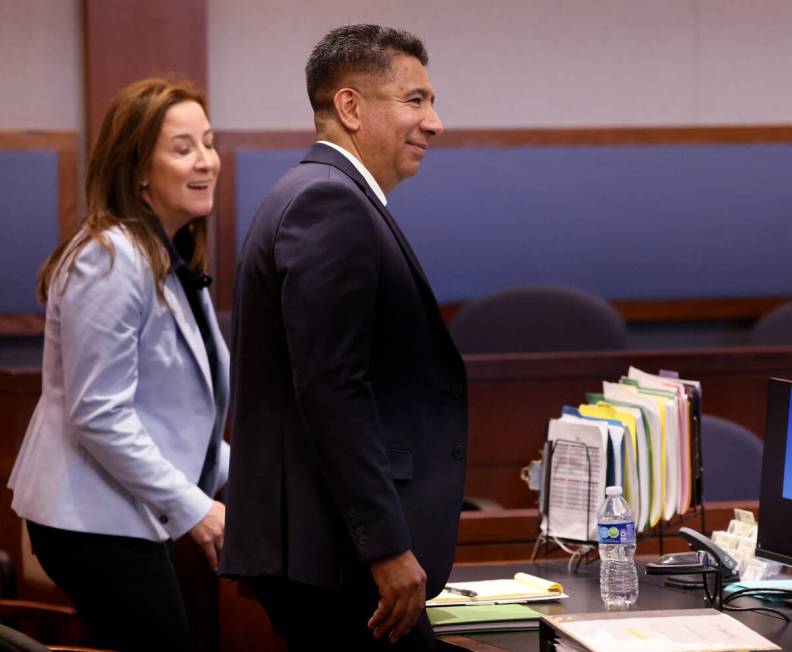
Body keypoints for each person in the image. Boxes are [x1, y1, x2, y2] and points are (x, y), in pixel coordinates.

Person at [221, 24, 467, 650]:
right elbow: (332, 390)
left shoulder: (322, 193)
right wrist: (384, 545)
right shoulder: (329, 203)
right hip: (337, 554)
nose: (434, 122)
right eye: (414, 100)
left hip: (326, 546)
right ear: (351, 107)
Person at [8, 78, 229, 652]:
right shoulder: (108, 259)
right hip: (85, 517)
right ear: (137, 169)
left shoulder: (171, 253)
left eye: (208, 142)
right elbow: (99, 415)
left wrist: (258, 473)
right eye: (183, 148)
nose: (206, 160)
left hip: (122, 509)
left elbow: (172, 413)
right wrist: (194, 509)